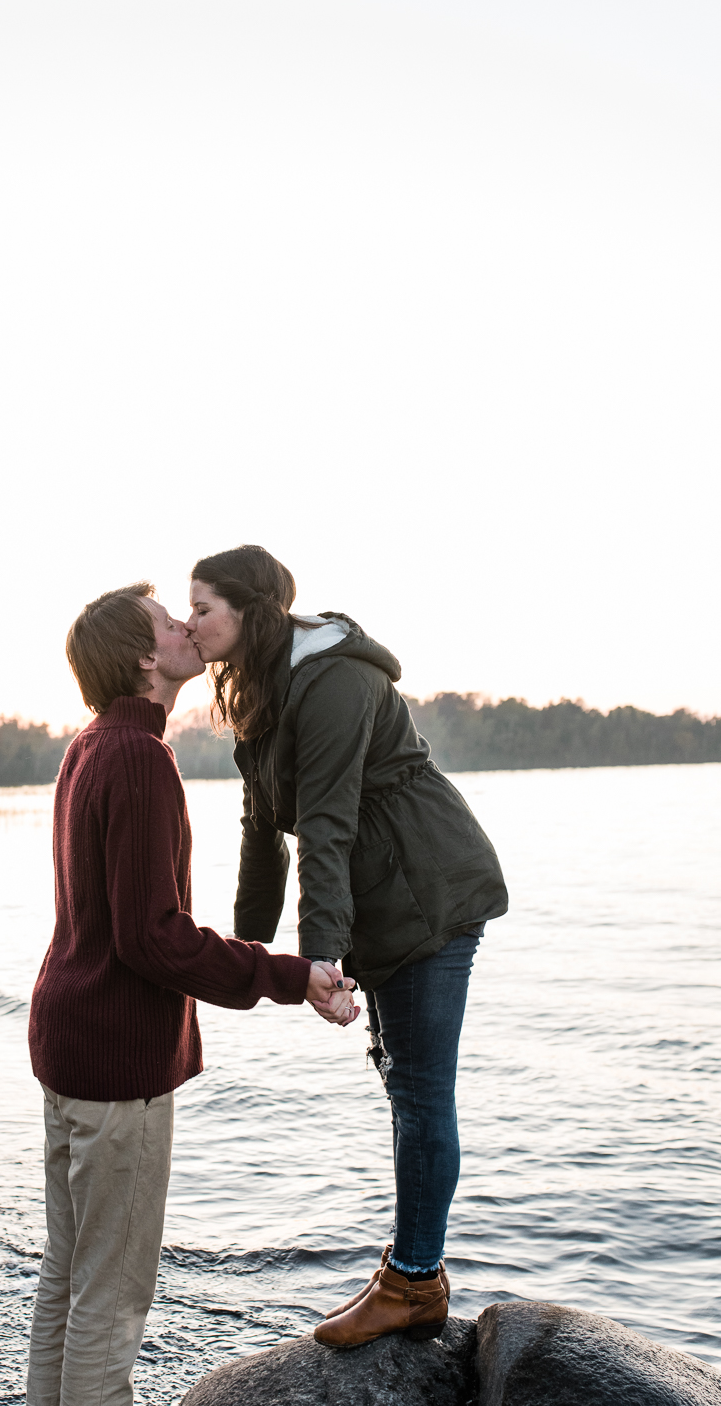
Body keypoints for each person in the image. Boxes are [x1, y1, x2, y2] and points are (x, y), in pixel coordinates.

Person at [21, 582, 353, 1406]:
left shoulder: (90, 748)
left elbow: (123, 928)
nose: (184, 629)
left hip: (68, 1040)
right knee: (109, 1301)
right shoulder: (137, 757)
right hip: (115, 1062)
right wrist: (287, 976)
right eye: (169, 621)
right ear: (139, 659)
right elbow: (150, 938)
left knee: (64, 1288)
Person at [185, 545, 508, 1349]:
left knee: (420, 1090)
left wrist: (318, 955)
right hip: (381, 901)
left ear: (249, 612)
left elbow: (326, 822)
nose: (190, 624)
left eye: (201, 609)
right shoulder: (263, 686)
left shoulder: (333, 682)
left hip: (428, 888)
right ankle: (412, 1274)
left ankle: (413, 1281)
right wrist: (246, 954)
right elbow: (264, 826)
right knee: (405, 1085)